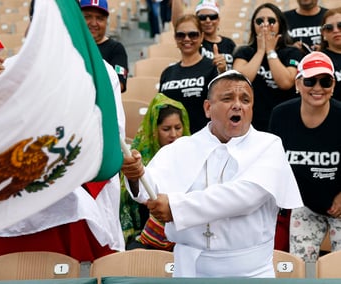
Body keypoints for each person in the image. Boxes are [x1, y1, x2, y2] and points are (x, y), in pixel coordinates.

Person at [121, 70, 303, 277]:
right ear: (208, 108)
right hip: (190, 270)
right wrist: (136, 175)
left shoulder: (269, 145)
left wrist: (176, 207)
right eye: (227, 98)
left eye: (245, 100)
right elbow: (150, 190)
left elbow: (245, 197)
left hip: (249, 273)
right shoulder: (182, 147)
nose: (237, 105)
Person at [0, 0, 126, 262]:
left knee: (79, 265)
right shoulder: (9, 68)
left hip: (81, 180)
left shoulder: (103, 72)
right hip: (26, 180)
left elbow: (111, 133)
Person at [269, 52, 341, 262]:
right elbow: (274, 163)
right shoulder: (281, 115)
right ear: (298, 83)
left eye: (325, 81)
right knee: (299, 267)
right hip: (304, 203)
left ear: (333, 85)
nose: (317, 88)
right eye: (310, 81)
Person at [120, 93, 190, 250]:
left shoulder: (195, 155)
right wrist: (134, 176)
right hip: (146, 236)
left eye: (178, 128)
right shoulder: (138, 158)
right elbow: (136, 198)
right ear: (154, 130)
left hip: (186, 234)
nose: (174, 135)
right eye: (166, 129)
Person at [233, 2, 303, 132]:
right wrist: (261, 51)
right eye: (259, 21)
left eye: (271, 21)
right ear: (253, 26)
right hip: (251, 125)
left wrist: (270, 51)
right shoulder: (244, 52)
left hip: (284, 121)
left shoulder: (292, 52)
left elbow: (286, 82)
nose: (265, 25)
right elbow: (239, 83)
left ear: (280, 25)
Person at [159, 14, 218, 133]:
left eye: (193, 34)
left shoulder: (212, 68)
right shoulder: (167, 73)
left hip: (203, 141)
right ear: (175, 38)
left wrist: (222, 71)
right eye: (181, 35)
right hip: (174, 143)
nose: (186, 39)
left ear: (201, 37)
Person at [171, 0, 236, 73]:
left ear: (218, 19)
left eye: (212, 17)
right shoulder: (194, 42)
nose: (208, 21)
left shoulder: (229, 43)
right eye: (202, 17)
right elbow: (179, 23)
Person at [80, 0, 128, 93]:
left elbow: (118, 85)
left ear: (106, 21)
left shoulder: (116, 49)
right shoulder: (72, 46)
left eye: (100, 18)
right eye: (87, 17)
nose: (94, 23)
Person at [320, 7, 341, 101]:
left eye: (340, 25)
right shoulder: (319, 60)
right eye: (329, 28)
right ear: (323, 34)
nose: (336, 30)